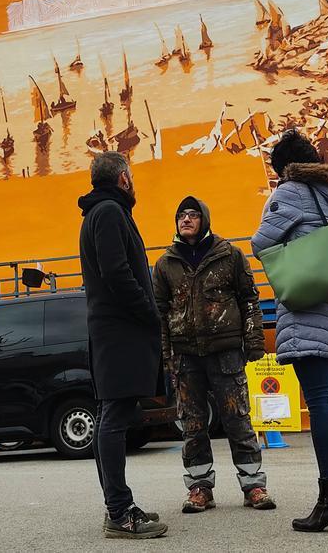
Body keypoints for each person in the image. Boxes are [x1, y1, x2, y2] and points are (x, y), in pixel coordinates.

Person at [250, 130, 328, 533]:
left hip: (307, 305)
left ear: (284, 167)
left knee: (320, 399)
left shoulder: (288, 193)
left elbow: (260, 242)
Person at [153, 196, 276, 514]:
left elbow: (250, 298)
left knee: (237, 419)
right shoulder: (166, 264)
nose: (186, 219)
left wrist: (254, 343)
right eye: (181, 215)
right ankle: (199, 488)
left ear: (204, 219)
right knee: (192, 424)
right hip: (185, 356)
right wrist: (166, 355)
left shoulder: (229, 255)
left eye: (193, 214)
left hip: (226, 352)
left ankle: (254, 486)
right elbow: (160, 312)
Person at [77, 152, 168, 540]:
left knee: (112, 415)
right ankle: (119, 512)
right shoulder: (110, 212)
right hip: (120, 331)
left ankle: (118, 506)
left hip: (114, 330)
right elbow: (117, 272)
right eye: (131, 175)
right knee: (114, 417)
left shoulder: (103, 212)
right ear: (123, 179)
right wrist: (148, 311)